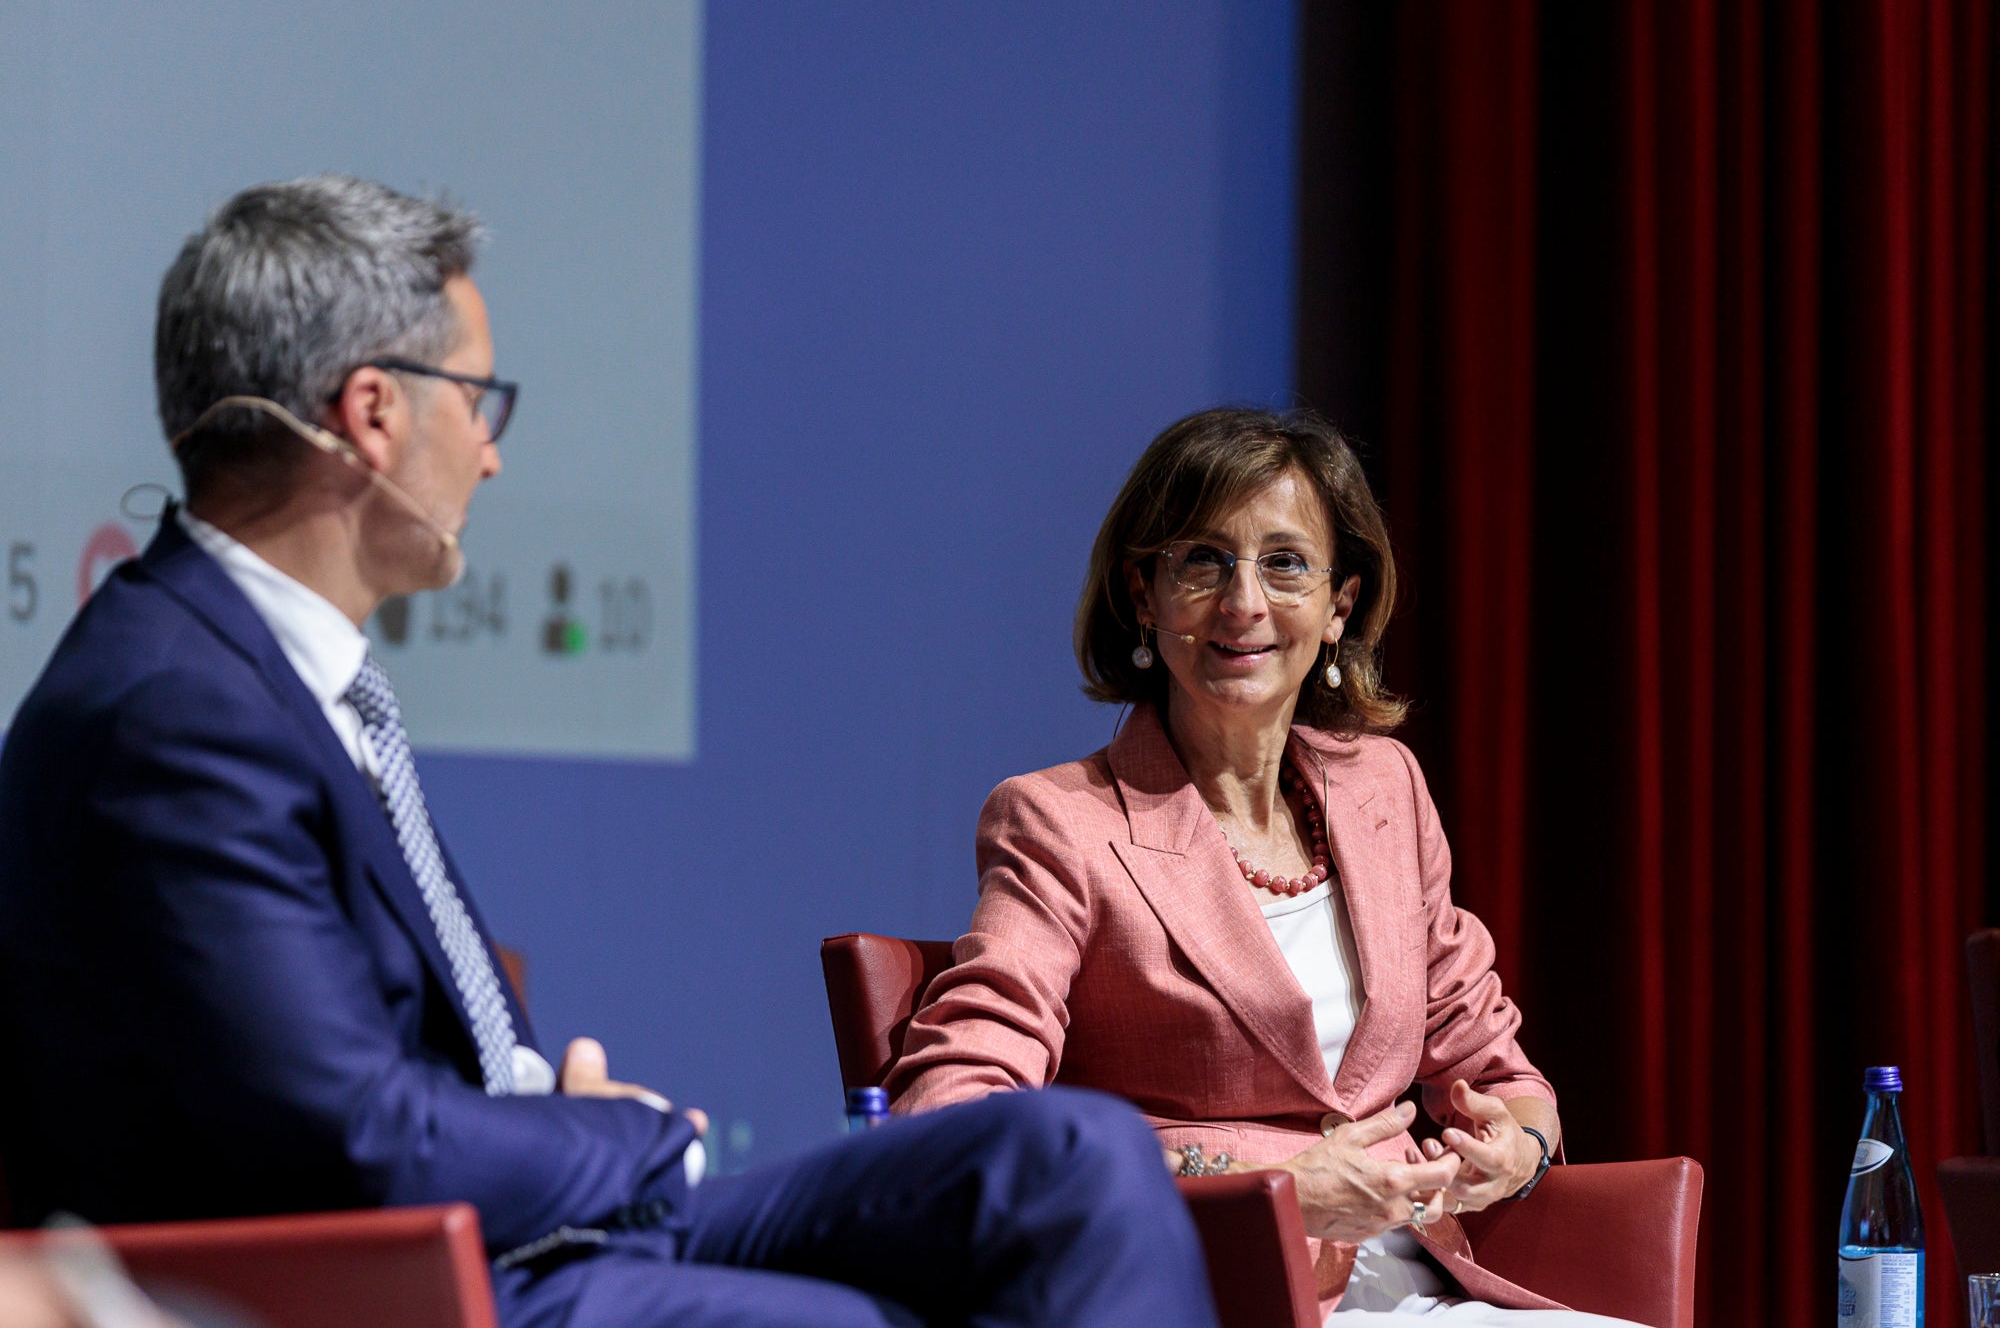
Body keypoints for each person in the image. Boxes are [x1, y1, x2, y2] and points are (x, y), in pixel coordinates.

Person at [0, 175, 1218, 1328]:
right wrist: (619, 1138)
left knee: (1072, 1156)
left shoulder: (270, 677)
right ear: (372, 411)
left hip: (522, 1216)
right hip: (400, 1280)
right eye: (476, 401)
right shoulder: (171, 708)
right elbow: (351, 1139)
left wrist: (554, 1122)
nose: (490, 451)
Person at [887, 408, 1644, 1324]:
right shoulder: (1061, 822)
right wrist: (1269, 1182)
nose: (1243, 602)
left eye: (1285, 562)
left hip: (1415, 1282)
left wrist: (1515, 1149)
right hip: (1203, 1290)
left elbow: (1493, 1061)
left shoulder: (1385, 791)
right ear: (1143, 595)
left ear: (1340, 606)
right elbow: (957, 1116)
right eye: (1202, 559)